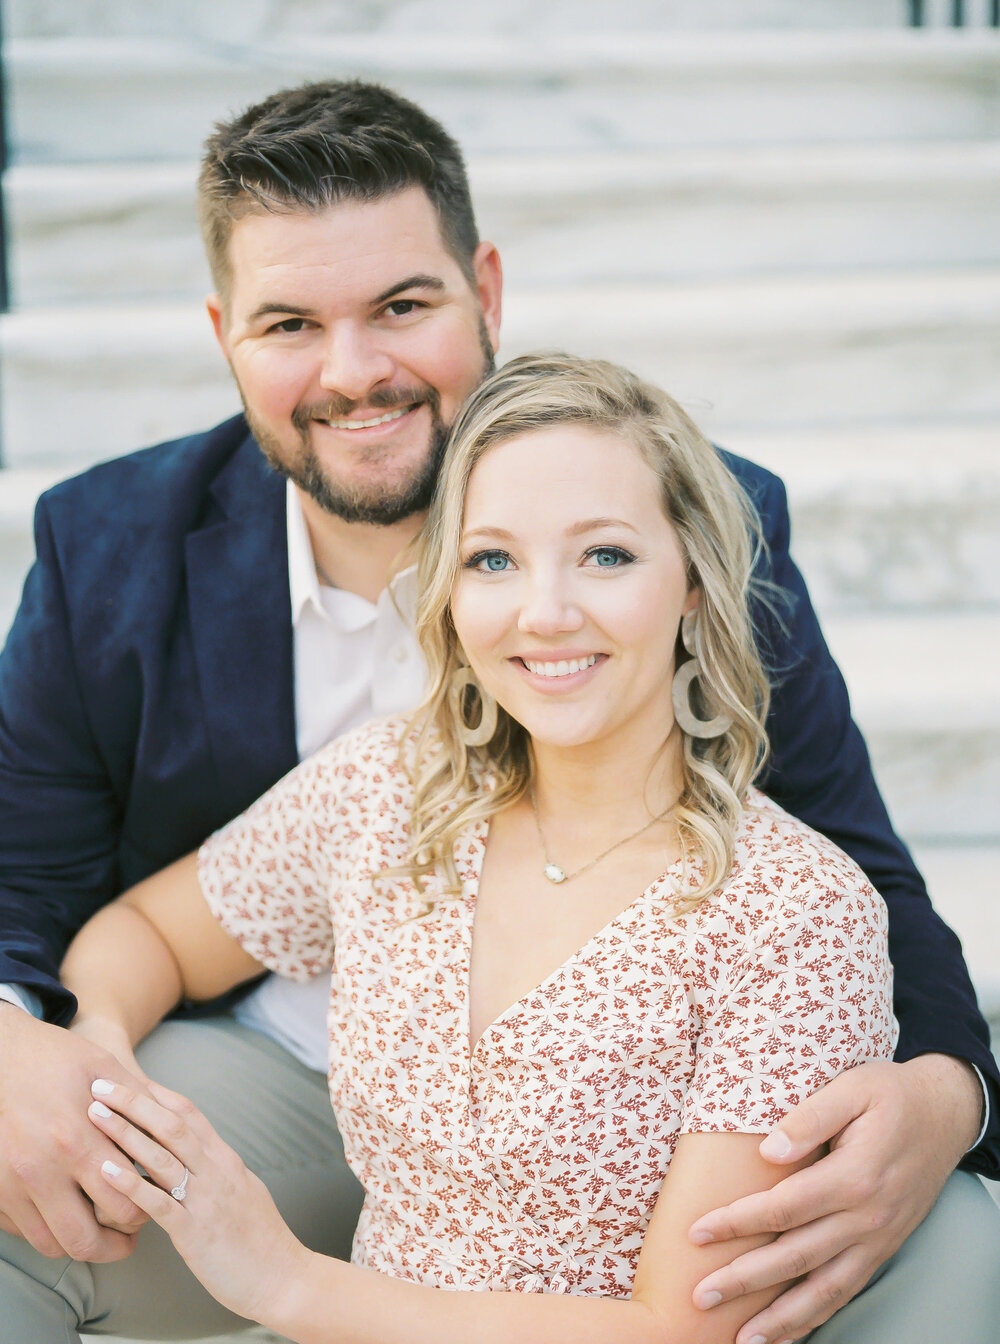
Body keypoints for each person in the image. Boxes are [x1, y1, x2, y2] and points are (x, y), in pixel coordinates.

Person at [0, 78, 995, 1344]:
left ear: (486, 292)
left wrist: (949, 1094)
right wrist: (56, 1050)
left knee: (958, 1233)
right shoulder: (119, 550)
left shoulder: (703, 520)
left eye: (403, 306)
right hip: (285, 1073)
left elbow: (853, 872)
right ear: (224, 334)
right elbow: (39, 875)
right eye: (292, 321)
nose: (354, 371)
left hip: (626, 1134)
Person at [60, 352, 902, 1344]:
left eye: (604, 555)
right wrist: (100, 1058)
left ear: (691, 584)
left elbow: (681, 1332)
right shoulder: (391, 789)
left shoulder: (795, 913)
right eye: (492, 559)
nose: (544, 613)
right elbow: (148, 932)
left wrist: (286, 1282)